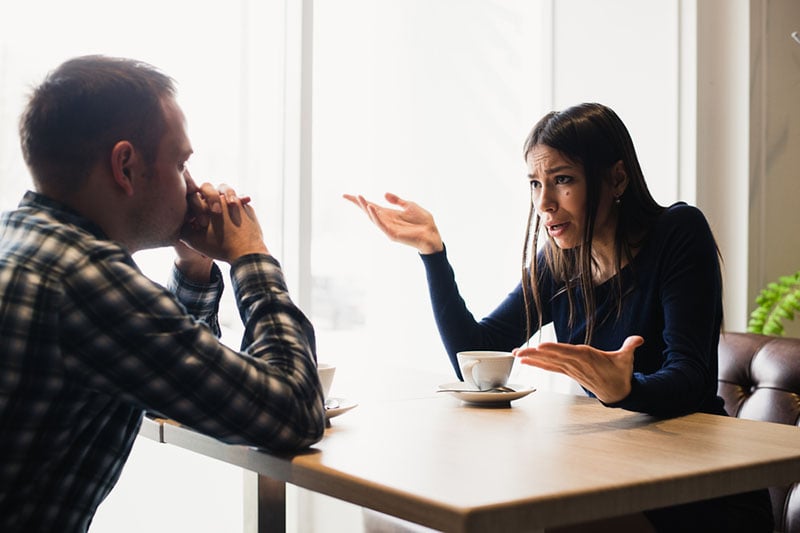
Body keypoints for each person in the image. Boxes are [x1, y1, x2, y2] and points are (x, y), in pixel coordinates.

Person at [345, 103, 773, 532]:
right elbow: (473, 356)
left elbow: (692, 377)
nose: (544, 203)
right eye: (535, 183)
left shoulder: (678, 231)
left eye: (563, 180)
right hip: (616, 473)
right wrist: (433, 254)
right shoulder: (559, 263)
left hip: (702, 494)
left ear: (617, 178)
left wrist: (626, 389)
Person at [0, 55, 325, 532]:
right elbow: (293, 413)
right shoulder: (82, 280)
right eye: (180, 163)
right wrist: (251, 257)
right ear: (126, 166)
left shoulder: (25, 241)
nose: (192, 186)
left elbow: (165, 382)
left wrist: (193, 270)